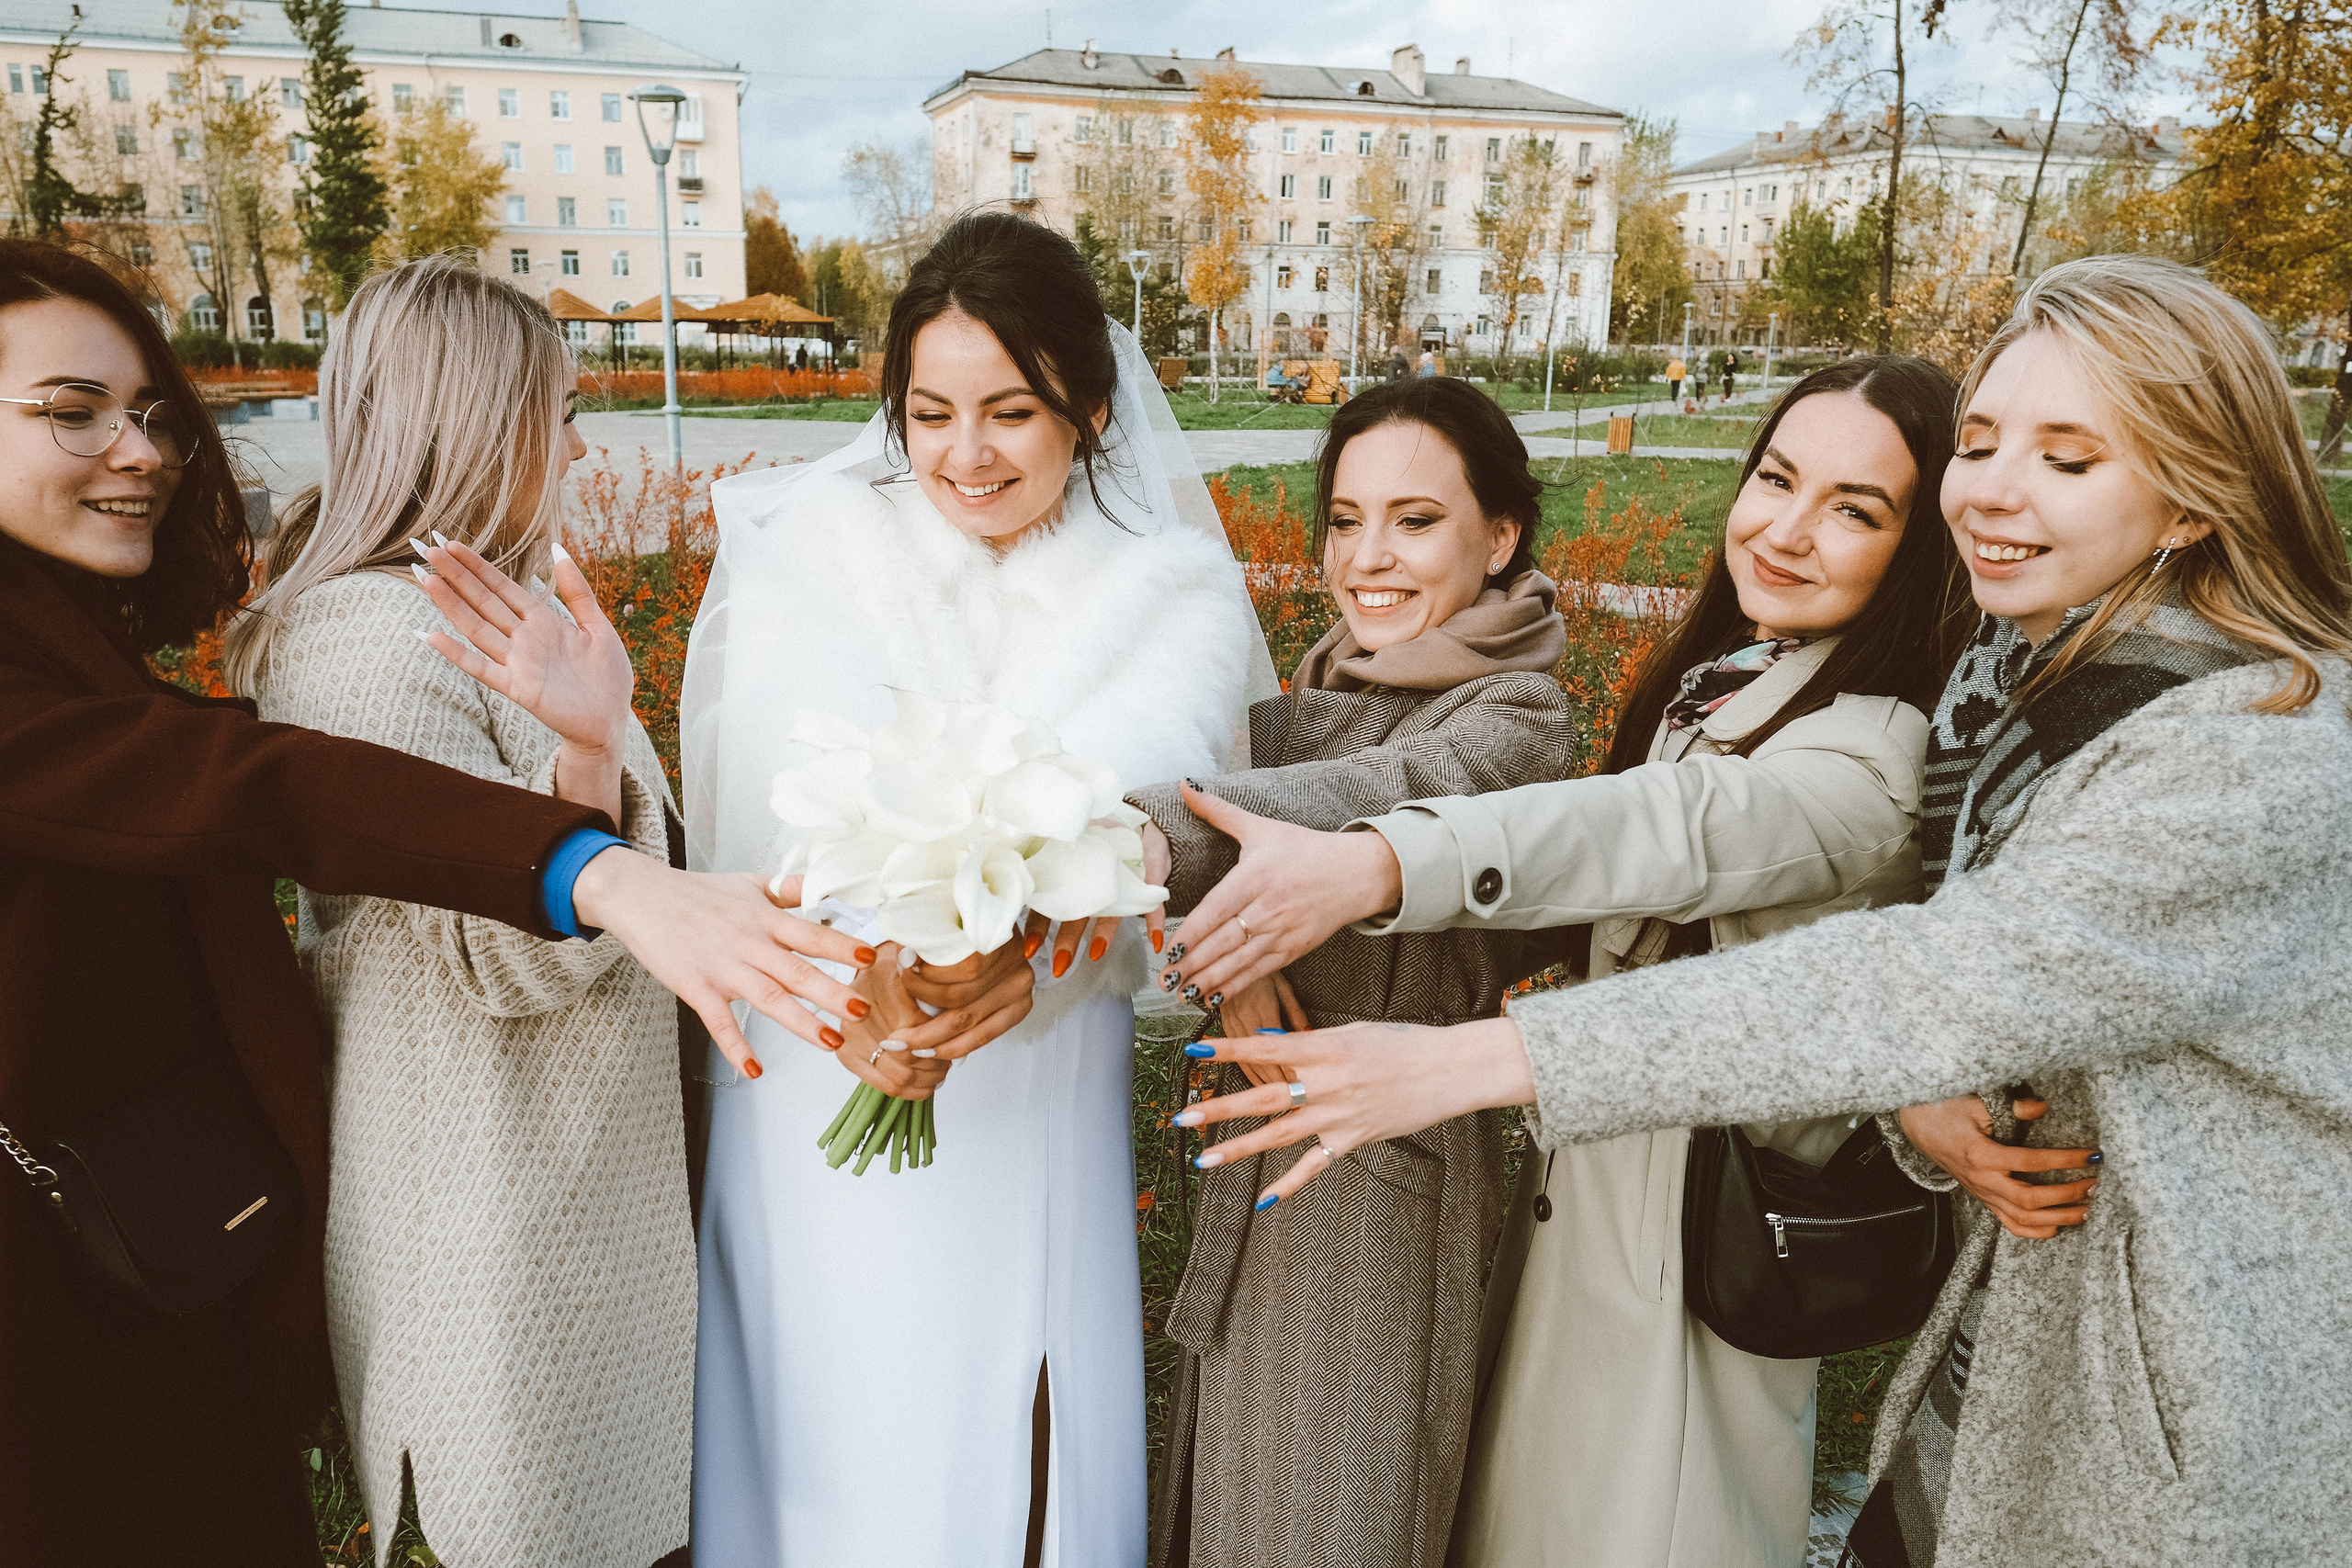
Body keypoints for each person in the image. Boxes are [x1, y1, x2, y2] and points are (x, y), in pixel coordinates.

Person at [1167, 255, 2352, 1564]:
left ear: (2194, 498)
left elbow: (1852, 930)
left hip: (2153, 1395)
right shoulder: (2012, 700)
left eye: (2068, 459)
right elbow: (2018, 979)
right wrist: (1917, 1091)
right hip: (1992, 1335)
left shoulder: (2234, 751)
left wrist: (1426, 974)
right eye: (1981, 444)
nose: (1993, 490)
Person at [0, 245, 868, 1565]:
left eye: (154, 413)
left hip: (511, 1205)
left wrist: (593, 757)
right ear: (471, 417)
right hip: (480, 1227)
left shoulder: (464, 609)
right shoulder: (364, 634)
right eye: (74, 411)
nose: (144, 450)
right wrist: (604, 861)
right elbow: (438, 917)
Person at [1160, 355, 1976, 1567]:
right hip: (1582, 1227)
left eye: (1854, 509)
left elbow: (1654, 833)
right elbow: (1592, 905)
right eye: (1775, 480)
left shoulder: (1873, 756)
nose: (1787, 530)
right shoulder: (1735, 690)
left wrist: (1373, 863)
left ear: (1920, 548)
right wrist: (1255, 934)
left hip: (1685, 1274)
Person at [682, 211, 1275, 1566]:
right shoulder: (813, 549)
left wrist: (1047, 955)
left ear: (1091, 410)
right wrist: (874, 985)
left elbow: (1156, 856)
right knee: (831, 1403)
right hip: (828, 1046)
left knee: (1011, 1409)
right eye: (931, 413)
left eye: (1011, 411)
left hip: (1032, 1076)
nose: (965, 455)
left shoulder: (1169, 597)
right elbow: (762, 826)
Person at [1130, 378, 1577, 1568]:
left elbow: (1377, 800)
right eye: (1344, 520)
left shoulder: (1515, 713)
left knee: (1331, 1520)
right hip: (1275, 1156)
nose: (1366, 557)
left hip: (1378, 1190)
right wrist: (1232, 961)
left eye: (1415, 522)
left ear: (1501, 536)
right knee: (1238, 1504)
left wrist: (1146, 834)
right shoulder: (1340, 679)